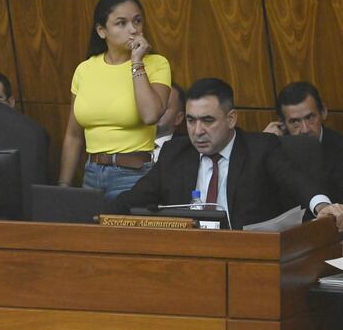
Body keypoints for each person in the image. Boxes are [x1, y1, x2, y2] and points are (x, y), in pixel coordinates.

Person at [107, 78, 343, 231]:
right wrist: (95, 221)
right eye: (191, 121)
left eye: (208, 120)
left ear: (231, 119)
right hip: (187, 258)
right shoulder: (174, 155)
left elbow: (297, 182)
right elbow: (133, 199)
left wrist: (323, 206)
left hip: (248, 259)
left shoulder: (261, 149)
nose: (198, 131)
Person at [58, 0, 171, 200]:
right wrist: (64, 185)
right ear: (102, 31)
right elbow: (73, 135)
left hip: (133, 174)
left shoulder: (156, 64)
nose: (133, 29)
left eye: (137, 21)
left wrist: (137, 62)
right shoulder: (85, 69)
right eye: (122, 23)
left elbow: (151, 115)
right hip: (91, 173)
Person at [264, 81, 343, 202]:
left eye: (310, 117)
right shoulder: (277, 150)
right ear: (282, 123)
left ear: (323, 112)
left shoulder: (339, 147)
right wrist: (264, 146)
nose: (305, 129)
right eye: (295, 122)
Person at [153, 82, 186, 161]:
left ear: (178, 118)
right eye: (151, 104)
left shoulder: (186, 151)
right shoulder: (126, 143)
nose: (154, 110)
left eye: (163, 106)